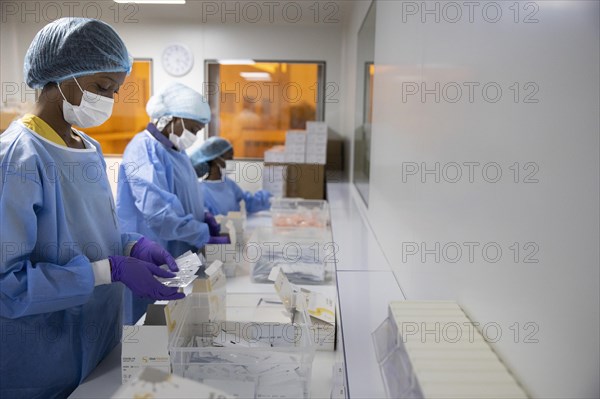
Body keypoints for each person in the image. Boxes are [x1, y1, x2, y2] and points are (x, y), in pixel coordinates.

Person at [0, 18, 184, 398]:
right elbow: (7, 285)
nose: (110, 101)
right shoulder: (17, 157)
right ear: (62, 78)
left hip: (100, 343)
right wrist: (106, 270)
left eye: (115, 91)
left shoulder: (87, 147)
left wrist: (132, 246)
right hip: (41, 361)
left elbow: (93, 229)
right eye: (102, 87)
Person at [117, 82, 220, 324]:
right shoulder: (143, 150)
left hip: (179, 252)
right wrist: (201, 232)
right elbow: (160, 215)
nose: (194, 136)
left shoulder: (177, 152)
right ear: (171, 119)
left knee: (175, 323)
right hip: (153, 253)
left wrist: (201, 215)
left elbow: (184, 195)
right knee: (148, 327)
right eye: (193, 128)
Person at [189, 137, 272, 216]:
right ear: (216, 159)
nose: (232, 160)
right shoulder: (200, 191)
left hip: (236, 229)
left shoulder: (229, 184)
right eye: (229, 157)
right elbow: (207, 219)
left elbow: (249, 202)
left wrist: (270, 198)